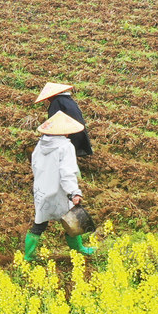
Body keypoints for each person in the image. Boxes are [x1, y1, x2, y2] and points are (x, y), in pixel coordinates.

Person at [24, 112, 95, 261]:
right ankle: (79, 250)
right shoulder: (65, 147)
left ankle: (28, 256)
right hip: (60, 192)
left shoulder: (40, 145)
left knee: (40, 224)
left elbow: (35, 167)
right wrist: (74, 192)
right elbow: (67, 172)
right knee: (72, 220)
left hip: (42, 190)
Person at [36, 82, 92, 157]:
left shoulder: (57, 102)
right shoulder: (69, 100)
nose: (48, 100)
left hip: (70, 135)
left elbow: (53, 122)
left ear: (52, 95)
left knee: (63, 157)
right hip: (79, 133)